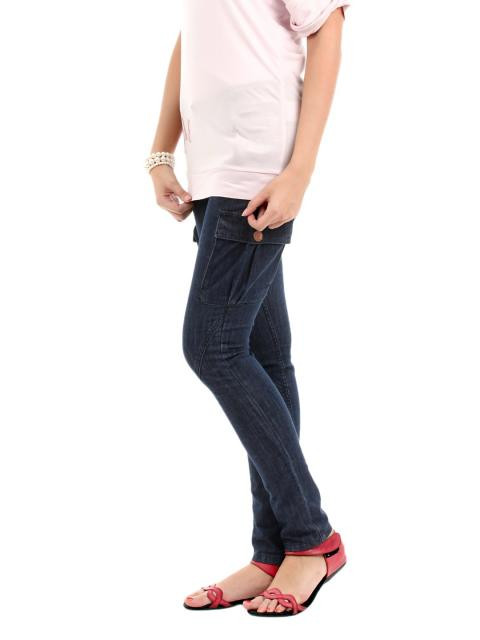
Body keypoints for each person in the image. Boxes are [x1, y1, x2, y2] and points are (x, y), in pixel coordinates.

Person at [146, 0, 351, 617]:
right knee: (263, 357)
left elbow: (328, 26)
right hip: (215, 167)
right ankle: (274, 553)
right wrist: (161, 152)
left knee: (211, 347)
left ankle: (313, 538)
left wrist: (299, 173)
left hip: (257, 168)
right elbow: (193, 36)